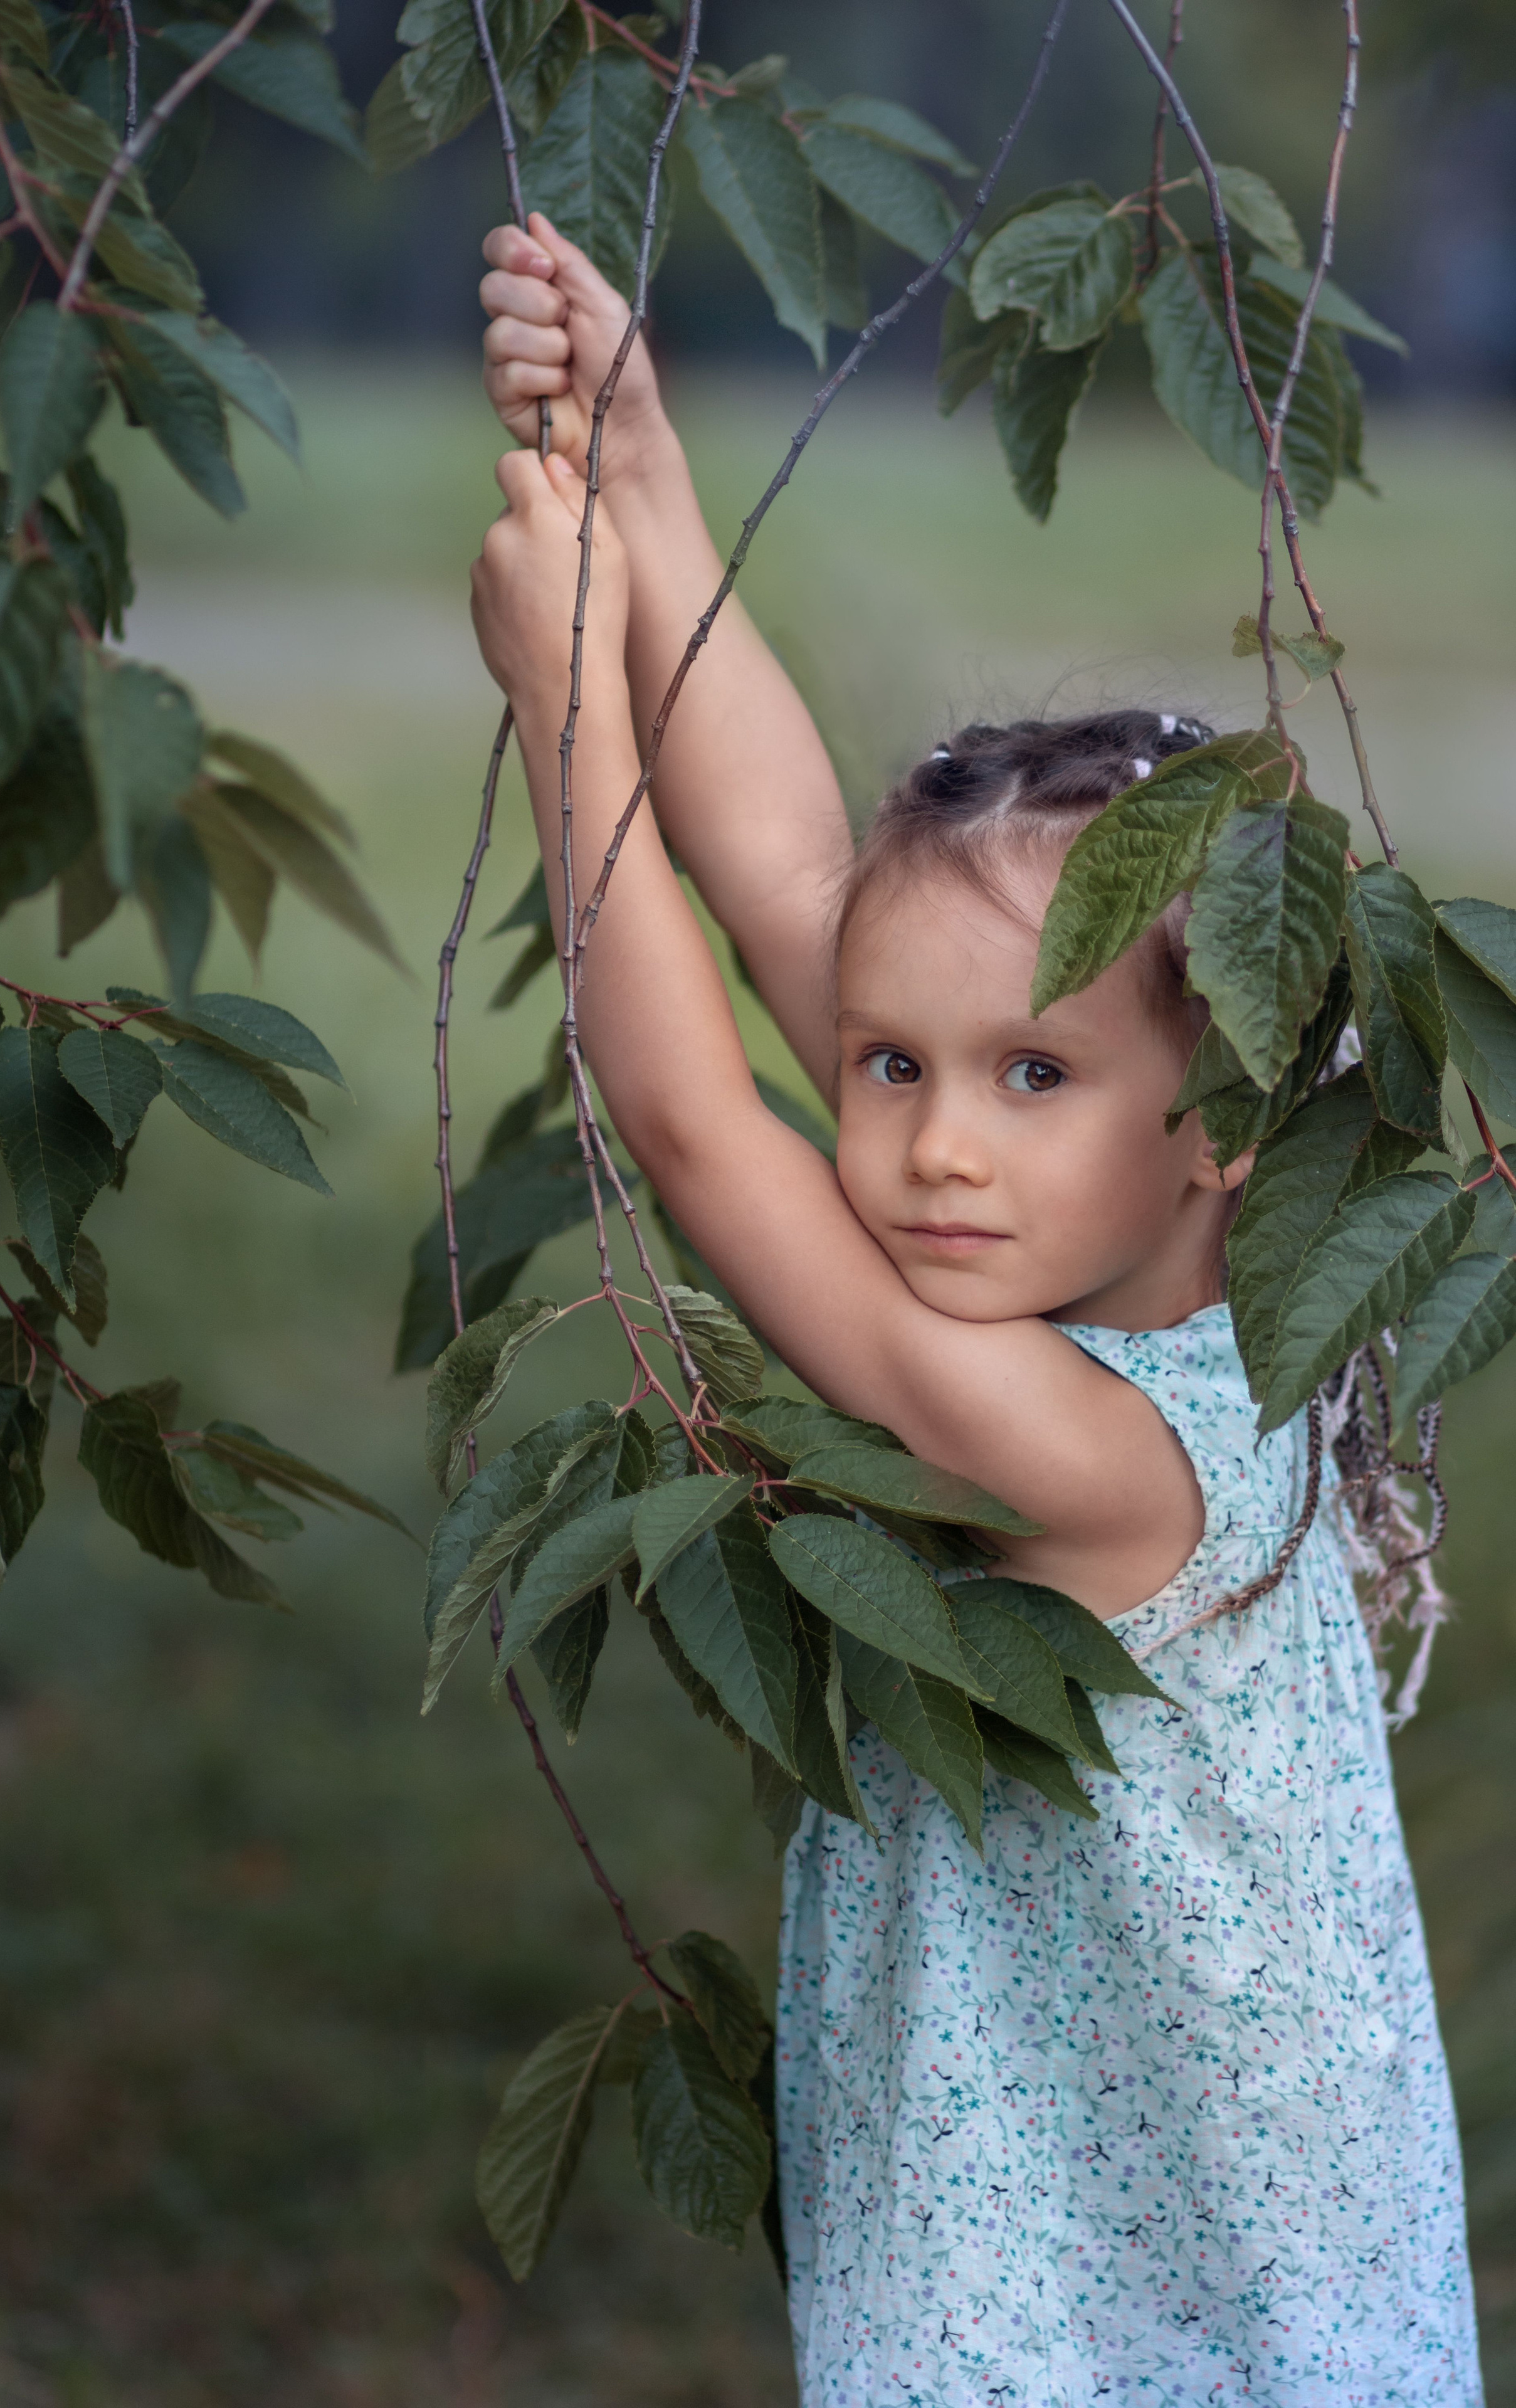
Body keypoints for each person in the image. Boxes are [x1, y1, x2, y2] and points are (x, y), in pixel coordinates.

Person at [468, 215, 1483, 2407]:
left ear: (1221, 1111)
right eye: (897, 1065)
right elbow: (783, 882)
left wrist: (567, 699)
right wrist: (639, 471)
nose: (934, 1144)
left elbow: (694, 1125)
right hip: (1073, 2200)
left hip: (1130, 2295)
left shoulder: (1106, 1468)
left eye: (1035, 1075)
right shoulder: (1182, 1276)